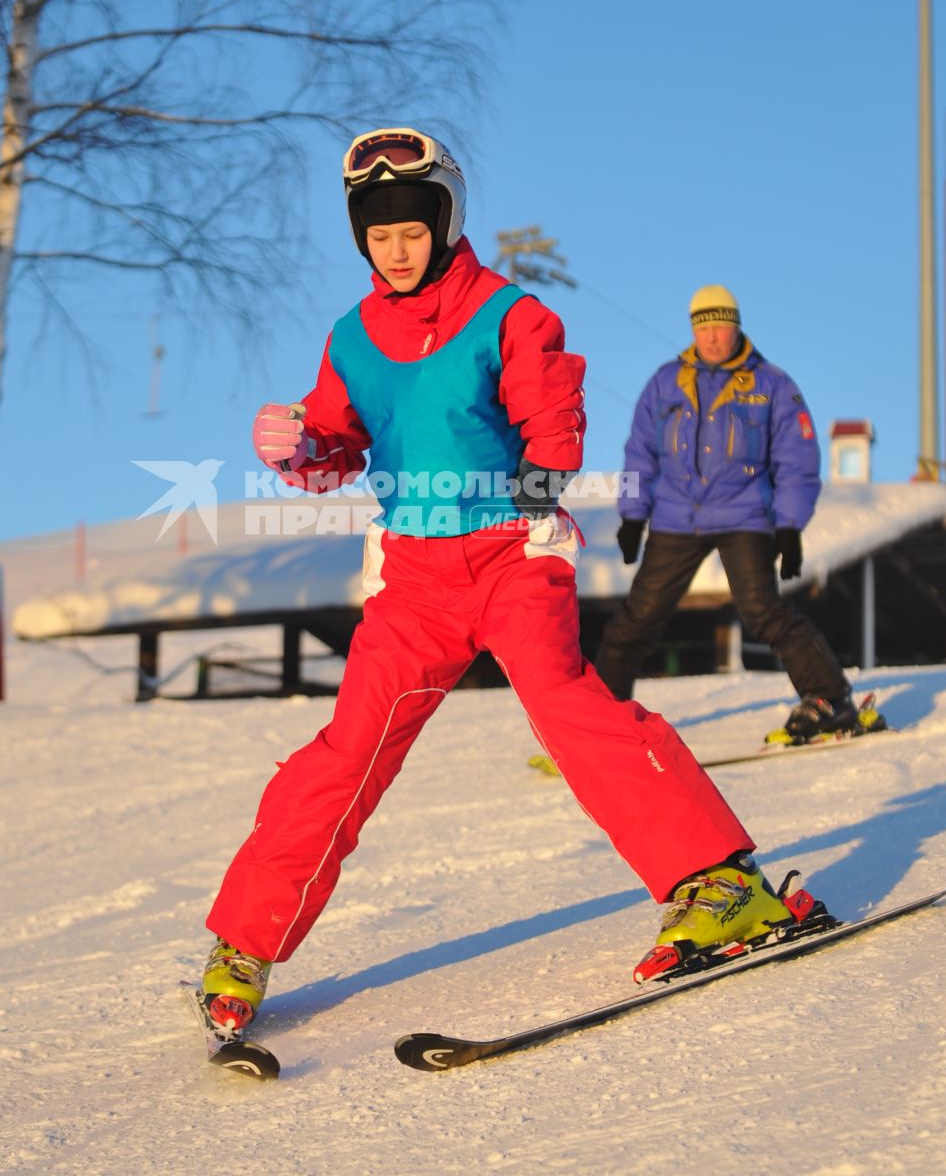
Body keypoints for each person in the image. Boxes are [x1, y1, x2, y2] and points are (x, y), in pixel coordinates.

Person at [200, 137, 822, 1034]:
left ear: (444, 223)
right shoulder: (350, 339)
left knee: (569, 708)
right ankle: (242, 947)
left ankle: (719, 885)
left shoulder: (507, 313)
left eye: (412, 231)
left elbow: (552, 407)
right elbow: (337, 443)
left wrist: (540, 474)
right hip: (412, 579)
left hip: (507, 555)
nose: (397, 250)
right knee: (348, 750)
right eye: (379, 238)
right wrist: (298, 447)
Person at [595, 284, 871, 741]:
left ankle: (831, 700)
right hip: (675, 517)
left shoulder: (771, 385)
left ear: (736, 326)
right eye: (703, 327)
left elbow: (797, 459)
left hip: (744, 515)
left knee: (764, 612)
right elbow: (639, 453)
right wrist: (632, 515)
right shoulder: (666, 382)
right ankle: (600, 722)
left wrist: (788, 526)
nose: (712, 337)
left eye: (720, 326)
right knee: (635, 620)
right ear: (692, 330)